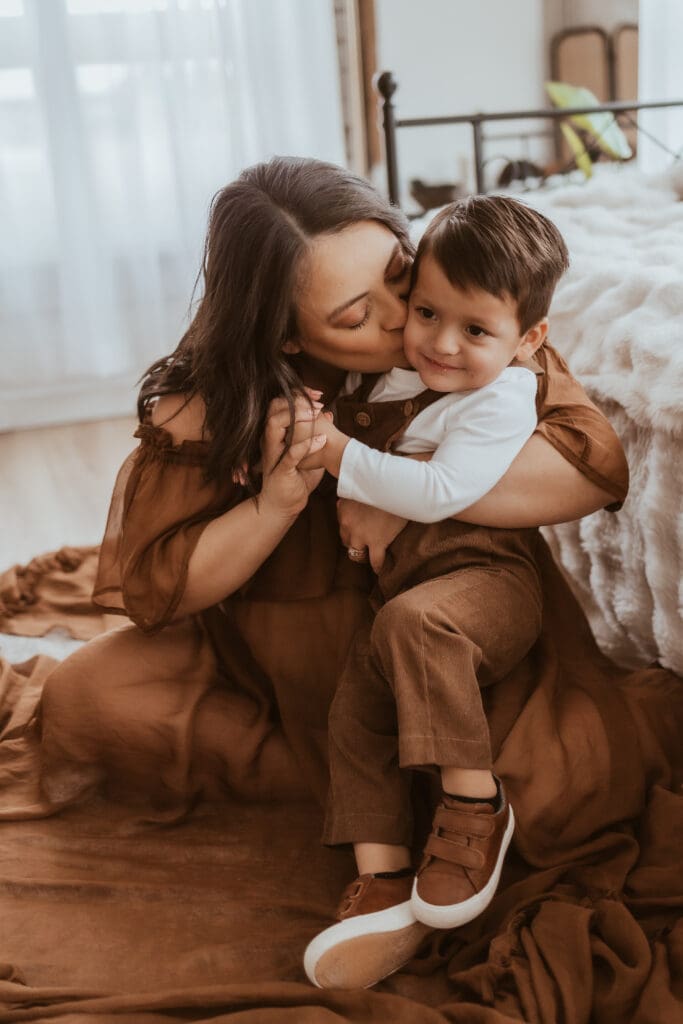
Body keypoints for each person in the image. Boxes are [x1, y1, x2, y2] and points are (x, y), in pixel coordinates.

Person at [5, 157, 645, 1004]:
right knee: (90, 703)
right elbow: (165, 588)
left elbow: (591, 470)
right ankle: (359, 821)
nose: (409, 328)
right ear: (287, 337)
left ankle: (426, 820)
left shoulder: (462, 323)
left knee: (566, 787)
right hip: (281, 640)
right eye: (359, 315)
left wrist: (394, 492)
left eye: (398, 278)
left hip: (437, 619)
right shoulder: (215, 400)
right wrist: (278, 500)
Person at [301, 195, 570, 989]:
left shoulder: (503, 396)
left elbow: (443, 488)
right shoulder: (406, 378)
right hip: (407, 590)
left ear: (528, 341)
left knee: (418, 623)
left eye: (476, 331)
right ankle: (381, 874)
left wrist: (340, 458)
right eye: (425, 312)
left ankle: (473, 805)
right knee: (353, 706)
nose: (440, 345)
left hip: (487, 577)